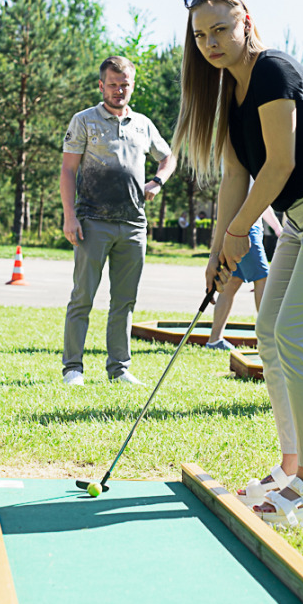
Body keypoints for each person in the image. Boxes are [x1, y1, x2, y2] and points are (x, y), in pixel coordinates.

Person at [173, 0, 303, 528]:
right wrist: (218, 251)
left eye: (219, 29)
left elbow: (280, 166)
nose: (210, 43)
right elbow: (236, 176)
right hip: (301, 219)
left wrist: (240, 235)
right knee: (269, 330)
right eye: (200, 36)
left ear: (245, 21)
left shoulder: (272, 71)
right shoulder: (230, 93)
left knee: (297, 334)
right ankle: (292, 468)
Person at [61, 56, 176, 386]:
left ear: (132, 85)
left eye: (124, 84)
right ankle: (73, 368)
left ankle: (119, 368)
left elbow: (168, 156)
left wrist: (158, 181)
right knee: (83, 296)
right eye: (112, 84)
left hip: (133, 224)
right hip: (92, 221)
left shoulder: (143, 124)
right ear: (101, 85)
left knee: (124, 301)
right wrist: (70, 217)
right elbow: (68, 171)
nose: (118, 90)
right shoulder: (84, 121)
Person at [205, 208, 282, 349]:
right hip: (246, 231)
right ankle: (269, 339)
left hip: (248, 229)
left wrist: (277, 228)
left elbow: (263, 202)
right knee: (263, 279)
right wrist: (277, 228)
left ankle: (214, 340)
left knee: (232, 283)